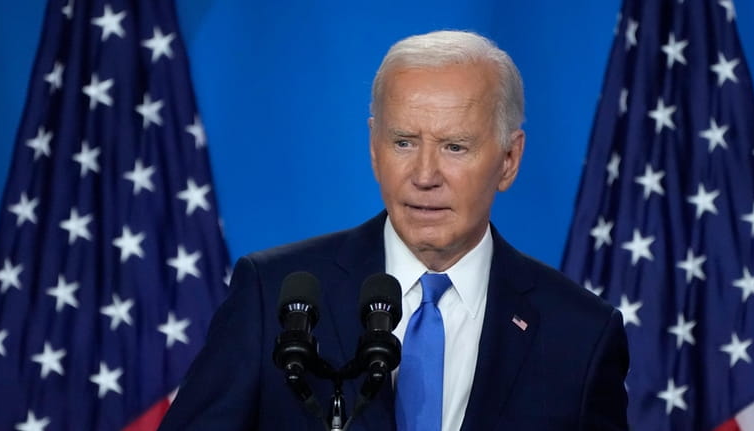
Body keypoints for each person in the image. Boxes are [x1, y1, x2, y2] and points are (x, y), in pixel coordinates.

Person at [159, 30, 629, 430]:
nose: (425, 174)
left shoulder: (579, 333)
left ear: (509, 160)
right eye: (403, 142)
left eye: (455, 147)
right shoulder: (274, 296)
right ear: (373, 148)